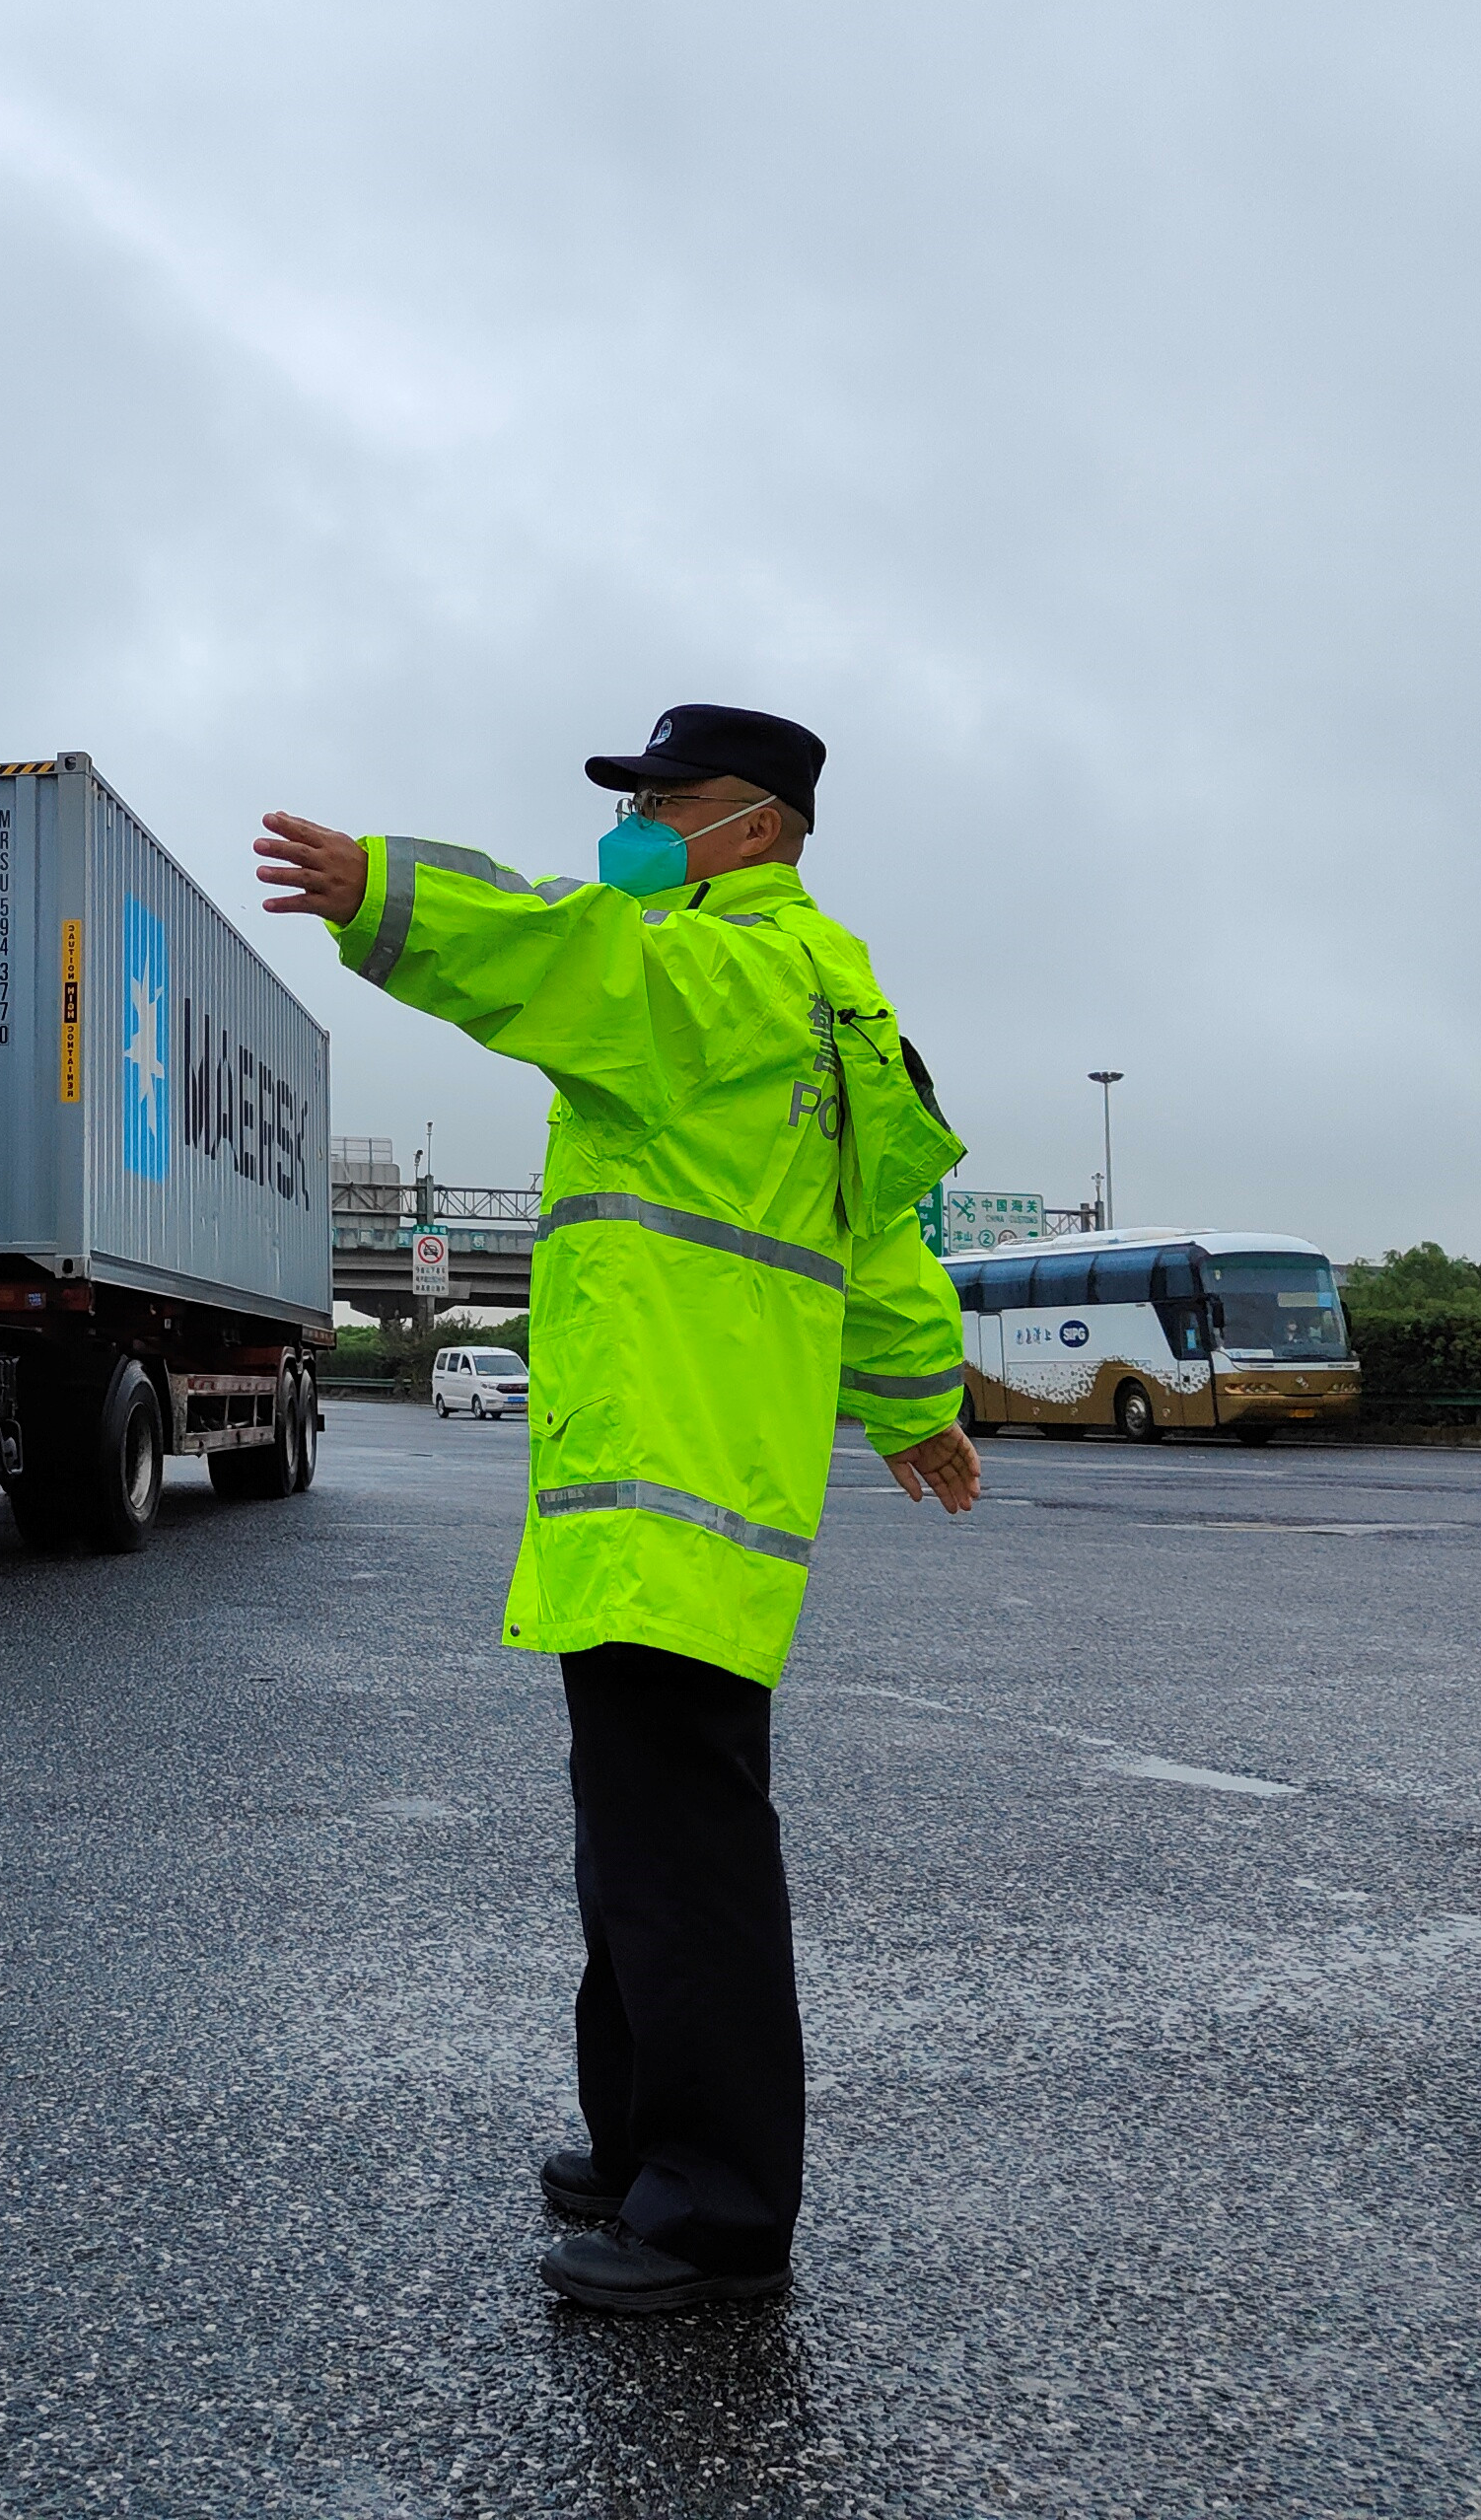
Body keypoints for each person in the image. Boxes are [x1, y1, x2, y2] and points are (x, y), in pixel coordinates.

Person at [253, 703, 984, 2316]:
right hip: (692, 1480)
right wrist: (916, 1398)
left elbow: (568, 957)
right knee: (644, 1847)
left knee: (679, 1862)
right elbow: (875, 1242)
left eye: (669, 798)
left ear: (762, 823)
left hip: (670, 1484)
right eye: (635, 798)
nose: (641, 821)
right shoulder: (825, 994)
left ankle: (715, 2213)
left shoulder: (720, 975)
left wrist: (385, 890)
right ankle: (644, 2141)